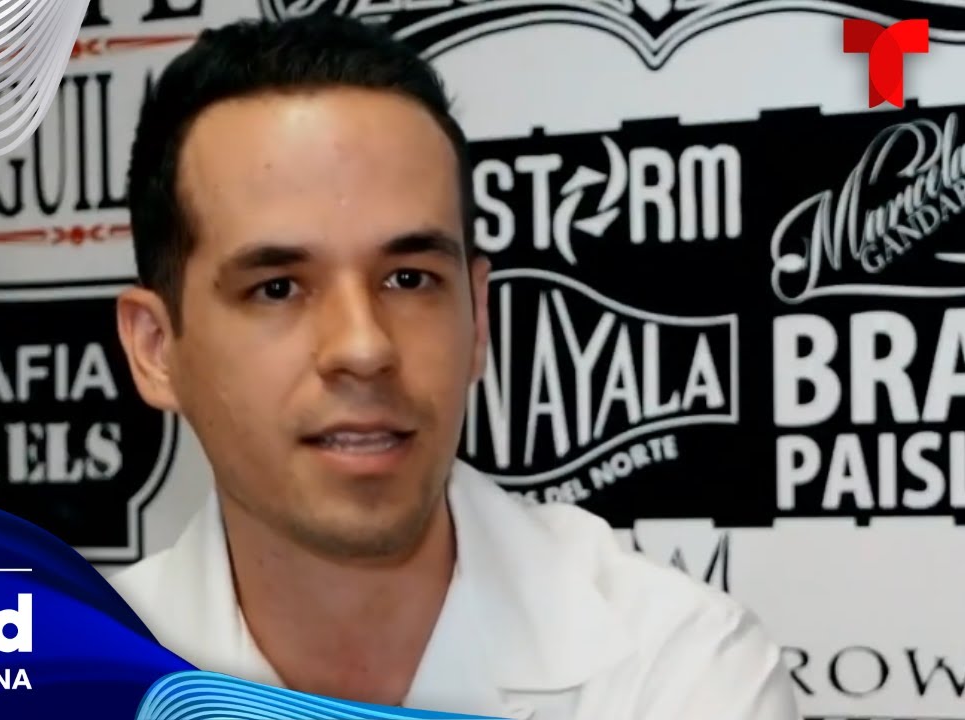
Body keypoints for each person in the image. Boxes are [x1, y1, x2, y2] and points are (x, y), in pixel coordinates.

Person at [110, 12, 801, 720]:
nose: (364, 347)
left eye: (409, 279)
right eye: (278, 288)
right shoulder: (74, 675)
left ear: (478, 317)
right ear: (156, 349)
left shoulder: (680, 667)